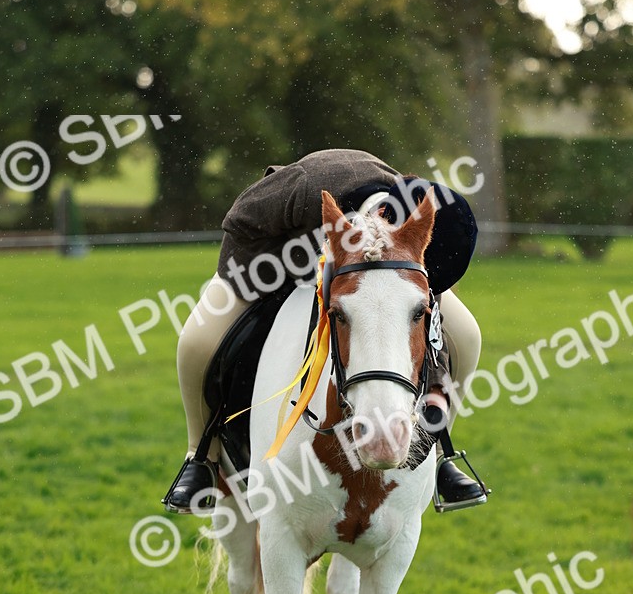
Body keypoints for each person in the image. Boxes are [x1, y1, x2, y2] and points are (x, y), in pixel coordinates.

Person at [163, 148, 486, 511]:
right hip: (269, 256)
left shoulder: (416, 223)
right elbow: (241, 220)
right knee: (196, 340)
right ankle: (199, 456)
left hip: (395, 262)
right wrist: (274, 275)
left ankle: (440, 451)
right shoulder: (302, 188)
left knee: (468, 335)